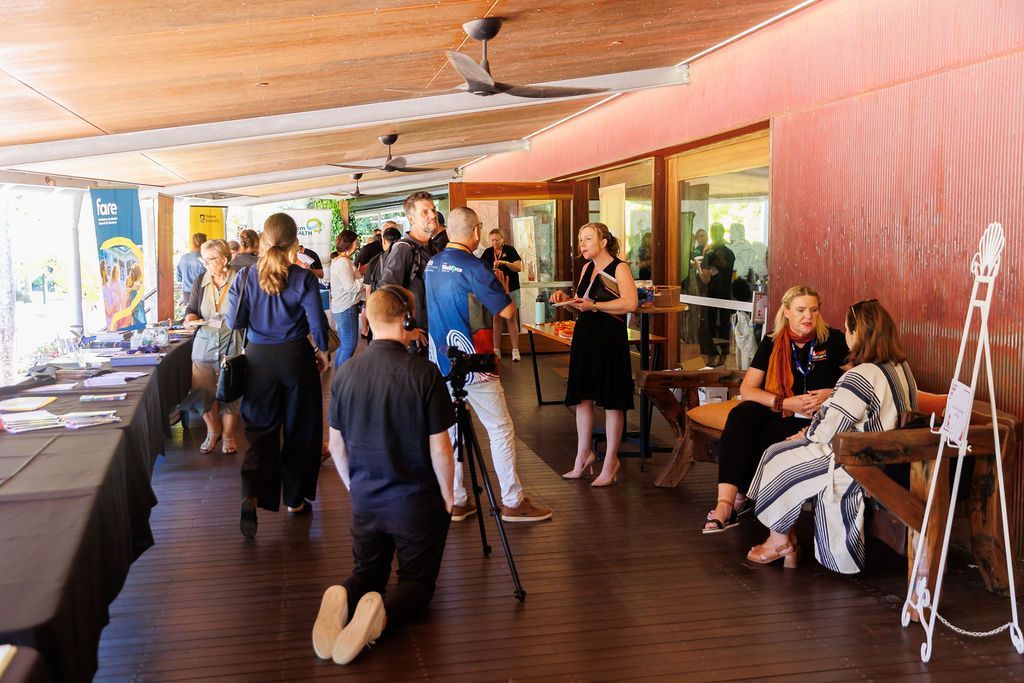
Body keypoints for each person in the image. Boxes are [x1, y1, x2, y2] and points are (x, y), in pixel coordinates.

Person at [314, 286, 455, 665]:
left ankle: (346, 594)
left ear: (366, 320)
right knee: (416, 583)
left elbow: (337, 445)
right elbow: (441, 447)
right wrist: (448, 495)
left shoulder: (346, 374)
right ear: (408, 320)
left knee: (368, 573)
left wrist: (352, 485)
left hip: (365, 500)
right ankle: (381, 617)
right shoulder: (424, 374)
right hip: (414, 503)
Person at [745, 300, 916, 572]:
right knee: (780, 452)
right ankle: (781, 537)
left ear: (856, 333)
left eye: (849, 329)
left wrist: (805, 432)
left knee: (777, 456)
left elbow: (828, 430)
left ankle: (779, 540)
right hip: (886, 453)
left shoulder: (862, 375)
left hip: (860, 460)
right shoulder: (899, 368)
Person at [424, 207, 552, 522]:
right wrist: (499, 287)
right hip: (474, 360)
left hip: (440, 359)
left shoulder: (432, 264)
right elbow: (507, 311)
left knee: (451, 430)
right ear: (476, 231)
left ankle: (456, 500)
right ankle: (512, 500)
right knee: (499, 428)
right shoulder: (474, 267)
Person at [703, 285, 849, 533]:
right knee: (741, 415)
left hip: (815, 419)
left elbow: (858, 382)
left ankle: (742, 498)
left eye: (813, 310)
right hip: (781, 407)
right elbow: (748, 389)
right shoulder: (772, 341)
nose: (808, 317)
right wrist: (782, 402)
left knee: (768, 436)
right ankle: (725, 504)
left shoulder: (833, 340)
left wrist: (831, 394)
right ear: (787, 311)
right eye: (801, 310)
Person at [228, 213, 330, 538]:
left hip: (258, 360)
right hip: (296, 358)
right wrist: (323, 351)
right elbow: (316, 323)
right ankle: (295, 500)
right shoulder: (303, 277)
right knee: (302, 429)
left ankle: (252, 494)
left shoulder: (244, 276)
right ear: (295, 243)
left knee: (261, 429)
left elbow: (234, 321)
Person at [550, 222, 639, 487]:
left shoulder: (620, 267)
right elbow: (583, 304)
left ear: (603, 241)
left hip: (609, 338)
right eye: (580, 239)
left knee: (612, 401)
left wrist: (595, 305)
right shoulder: (587, 268)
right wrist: (566, 299)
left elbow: (630, 303)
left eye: (588, 238)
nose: (582, 244)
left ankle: (611, 461)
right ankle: (583, 455)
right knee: (583, 398)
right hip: (586, 335)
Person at [183, 239, 246, 454]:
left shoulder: (240, 279)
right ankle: (213, 431)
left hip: (232, 343)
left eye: (210, 259)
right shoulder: (200, 281)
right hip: (204, 345)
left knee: (231, 393)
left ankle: (228, 435)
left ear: (225, 259)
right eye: (204, 259)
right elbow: (191, 309)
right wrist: (190, 318)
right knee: (202, 393)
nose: (205, 264)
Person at [378, 191, 440, 352]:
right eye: (424, 212)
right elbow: (386, 292)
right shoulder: (404, 249)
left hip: (436, 333)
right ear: (411, 219)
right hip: (417, 341)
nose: (432, 215)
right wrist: (407, 329)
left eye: (433, 210)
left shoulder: (433, 248)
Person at [480, 228, 523, 362]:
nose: (494, 243)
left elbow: (518, 268)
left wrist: (504, 263)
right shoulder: (487, 252)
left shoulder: (510, 250)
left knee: (511, 318)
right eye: (491, 240)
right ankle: (496, 350)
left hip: (512, 288)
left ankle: (515, 350)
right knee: (496, 319)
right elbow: (481, 270)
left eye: (497, 240)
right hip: (495, 290)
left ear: (502, 239)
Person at [697, 222, 735, 366]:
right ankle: (723, 358)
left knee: (710, 326)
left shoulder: (710, 253)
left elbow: (705, 279)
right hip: (725, 293)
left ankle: (711, 359)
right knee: (725, 325)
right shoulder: (730, 253)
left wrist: (697, 267)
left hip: (712, 295)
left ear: (712, 234)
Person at [329, 229, 364, 368]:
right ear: (349, 244)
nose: (357, 245)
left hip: (342, 306)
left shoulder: (340, 260)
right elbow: (350, 287)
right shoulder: (343, 262)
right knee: (349, 345)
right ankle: (342, 378)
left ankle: (339, 377)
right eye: (356, 242)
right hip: (346, 307)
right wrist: (365, 280)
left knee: (344, 344)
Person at [176, 232, 207, 304]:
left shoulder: (183, 258)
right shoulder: (205, 260)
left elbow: (179, 278)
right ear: (205, 243)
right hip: (202, 293)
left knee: (189, 313)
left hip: (186, 294)